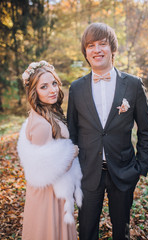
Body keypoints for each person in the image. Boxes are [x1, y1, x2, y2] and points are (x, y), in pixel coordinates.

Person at [67, 23, 148, 240]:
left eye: (102, 44)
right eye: (91, 46)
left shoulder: (133, 85)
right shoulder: (76, 89)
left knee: (121, 233)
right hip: (88, 173)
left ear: (112, 48)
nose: (97, 50)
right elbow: (72, 132)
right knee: (86, 231)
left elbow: (146, 131)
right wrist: (74, 170)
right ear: (85, 52)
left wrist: (139, 168)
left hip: (124, 171)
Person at [17, 60, 83, 240]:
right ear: (34, 92)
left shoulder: (47, 112)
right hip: (47, 197)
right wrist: (72, 152)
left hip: (53, 191)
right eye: (44, 87)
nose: (52, 90)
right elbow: (45, 169)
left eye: (54, 83)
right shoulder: (41, 125)